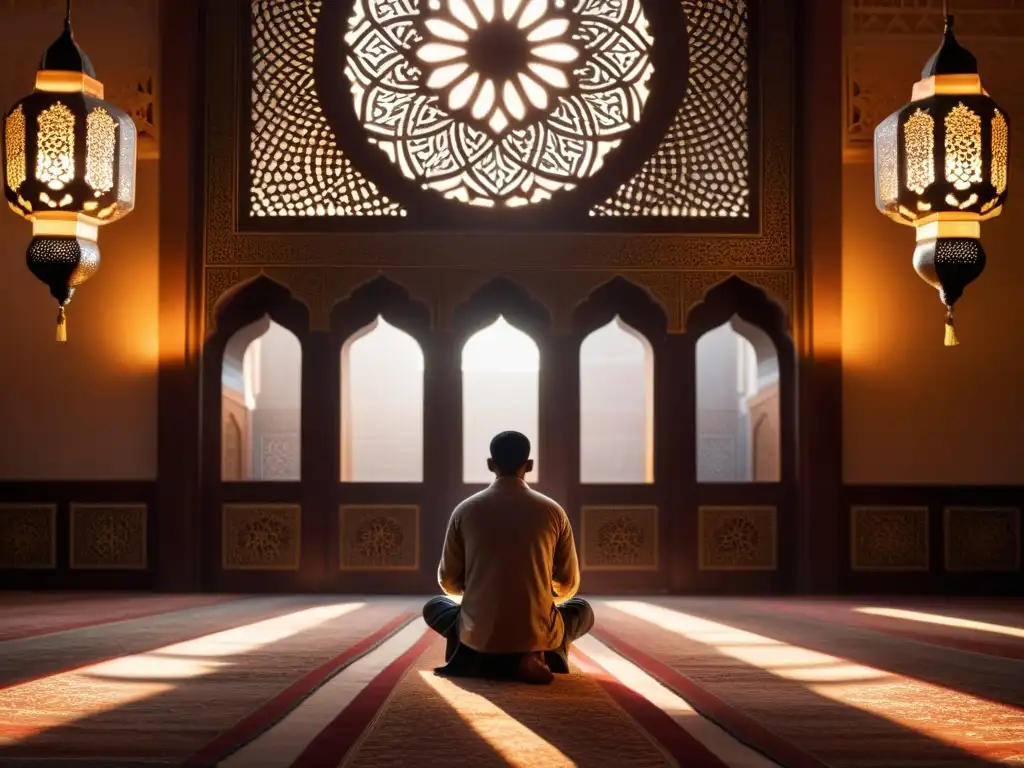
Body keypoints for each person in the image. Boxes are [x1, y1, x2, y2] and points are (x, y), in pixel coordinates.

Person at [423, 430, 594, 685]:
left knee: (435, 606)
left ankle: (476, 656)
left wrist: (480, 595)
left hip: (477, 629)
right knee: (582, 610)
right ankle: (537, 654)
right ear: (530, 465)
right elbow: (568, 585)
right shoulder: (553, 511)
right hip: (537, 628)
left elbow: (448, 582)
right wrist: (540, 596)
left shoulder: (465, 510)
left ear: (490, 465)